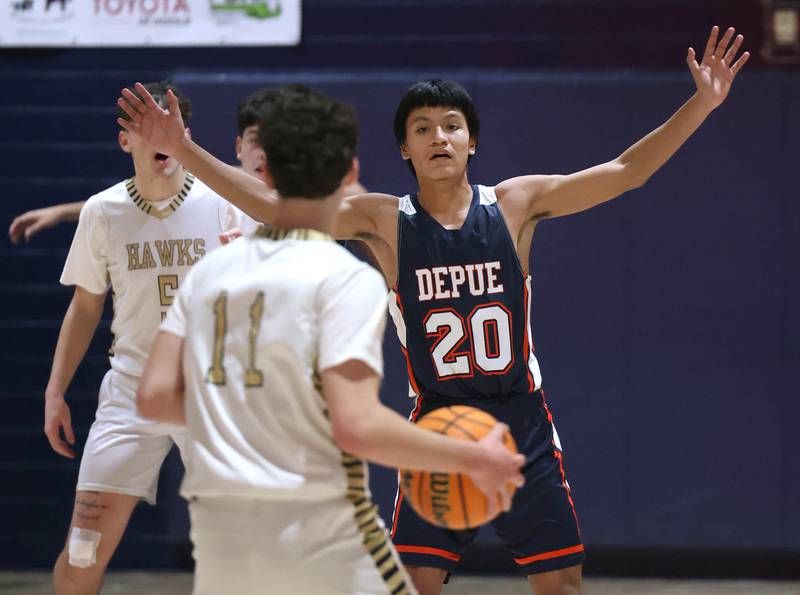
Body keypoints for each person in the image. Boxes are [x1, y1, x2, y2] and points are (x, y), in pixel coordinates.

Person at [117, 25, 749, 595]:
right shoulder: (385, 221)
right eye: (422, 128)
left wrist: (702, 103)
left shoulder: (515, 205)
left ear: (472, 141)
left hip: (521, 426)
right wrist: (188, 152)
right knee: (416, 586)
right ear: (405, 151)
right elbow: (277, 205)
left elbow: (625, 171)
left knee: (562, 585)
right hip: (436, 424)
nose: (438, 136)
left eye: (451, 124)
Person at [135, 85, 524, 595]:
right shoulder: (343, 277)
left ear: (266, 173)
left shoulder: (210, 271)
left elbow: (155, 397)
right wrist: (471, 458)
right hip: (320, 533)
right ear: (349, 175)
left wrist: (246, 412)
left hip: (219, 534)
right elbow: (358, 426)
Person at [43, 81, 255, 595]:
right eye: (145, 123)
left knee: (247, 553)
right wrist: (55, 391)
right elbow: (86, 305)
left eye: (171, 121)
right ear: (125, 139)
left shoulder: (226, 203)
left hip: (213, 390)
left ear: (185, 133)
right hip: (133, 388)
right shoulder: (102, 211)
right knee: (82, 549)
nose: (160, 132)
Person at [7, 85, 369, 243]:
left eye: (278, 145)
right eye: (258, 142)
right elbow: (141, 198)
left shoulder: (334, 197)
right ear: (239, 148)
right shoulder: (225, 190)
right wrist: (64, 211)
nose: (266, 154)